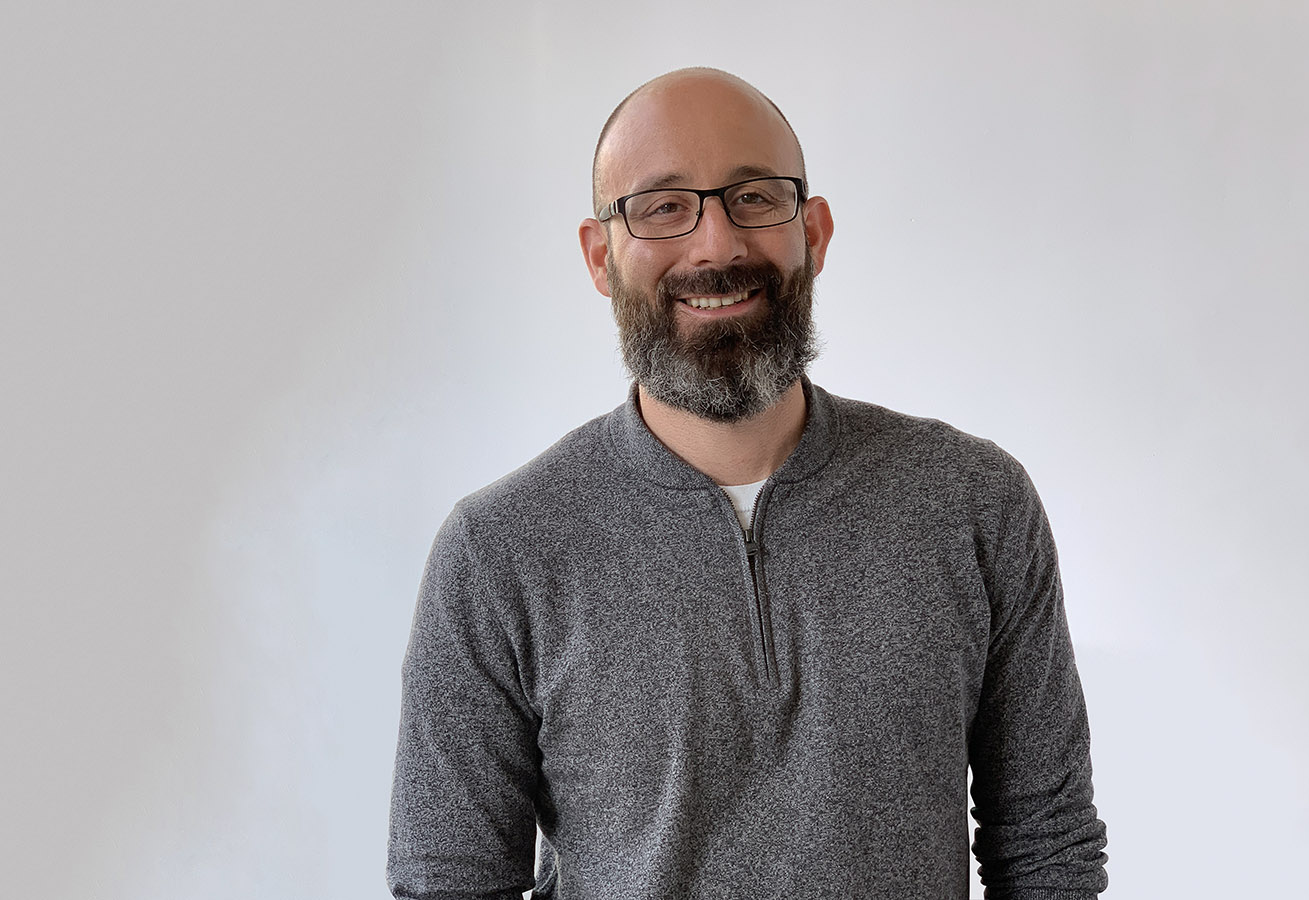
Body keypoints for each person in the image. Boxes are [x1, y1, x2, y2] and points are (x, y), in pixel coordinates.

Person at [387, 67, 1108, 900]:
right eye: (663, 207)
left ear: (815, 232)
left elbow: (1048, 849)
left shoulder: (974, 502)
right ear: (599, 256)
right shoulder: (498, 551)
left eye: (755, 198)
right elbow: (449, 883)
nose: (717, 246)